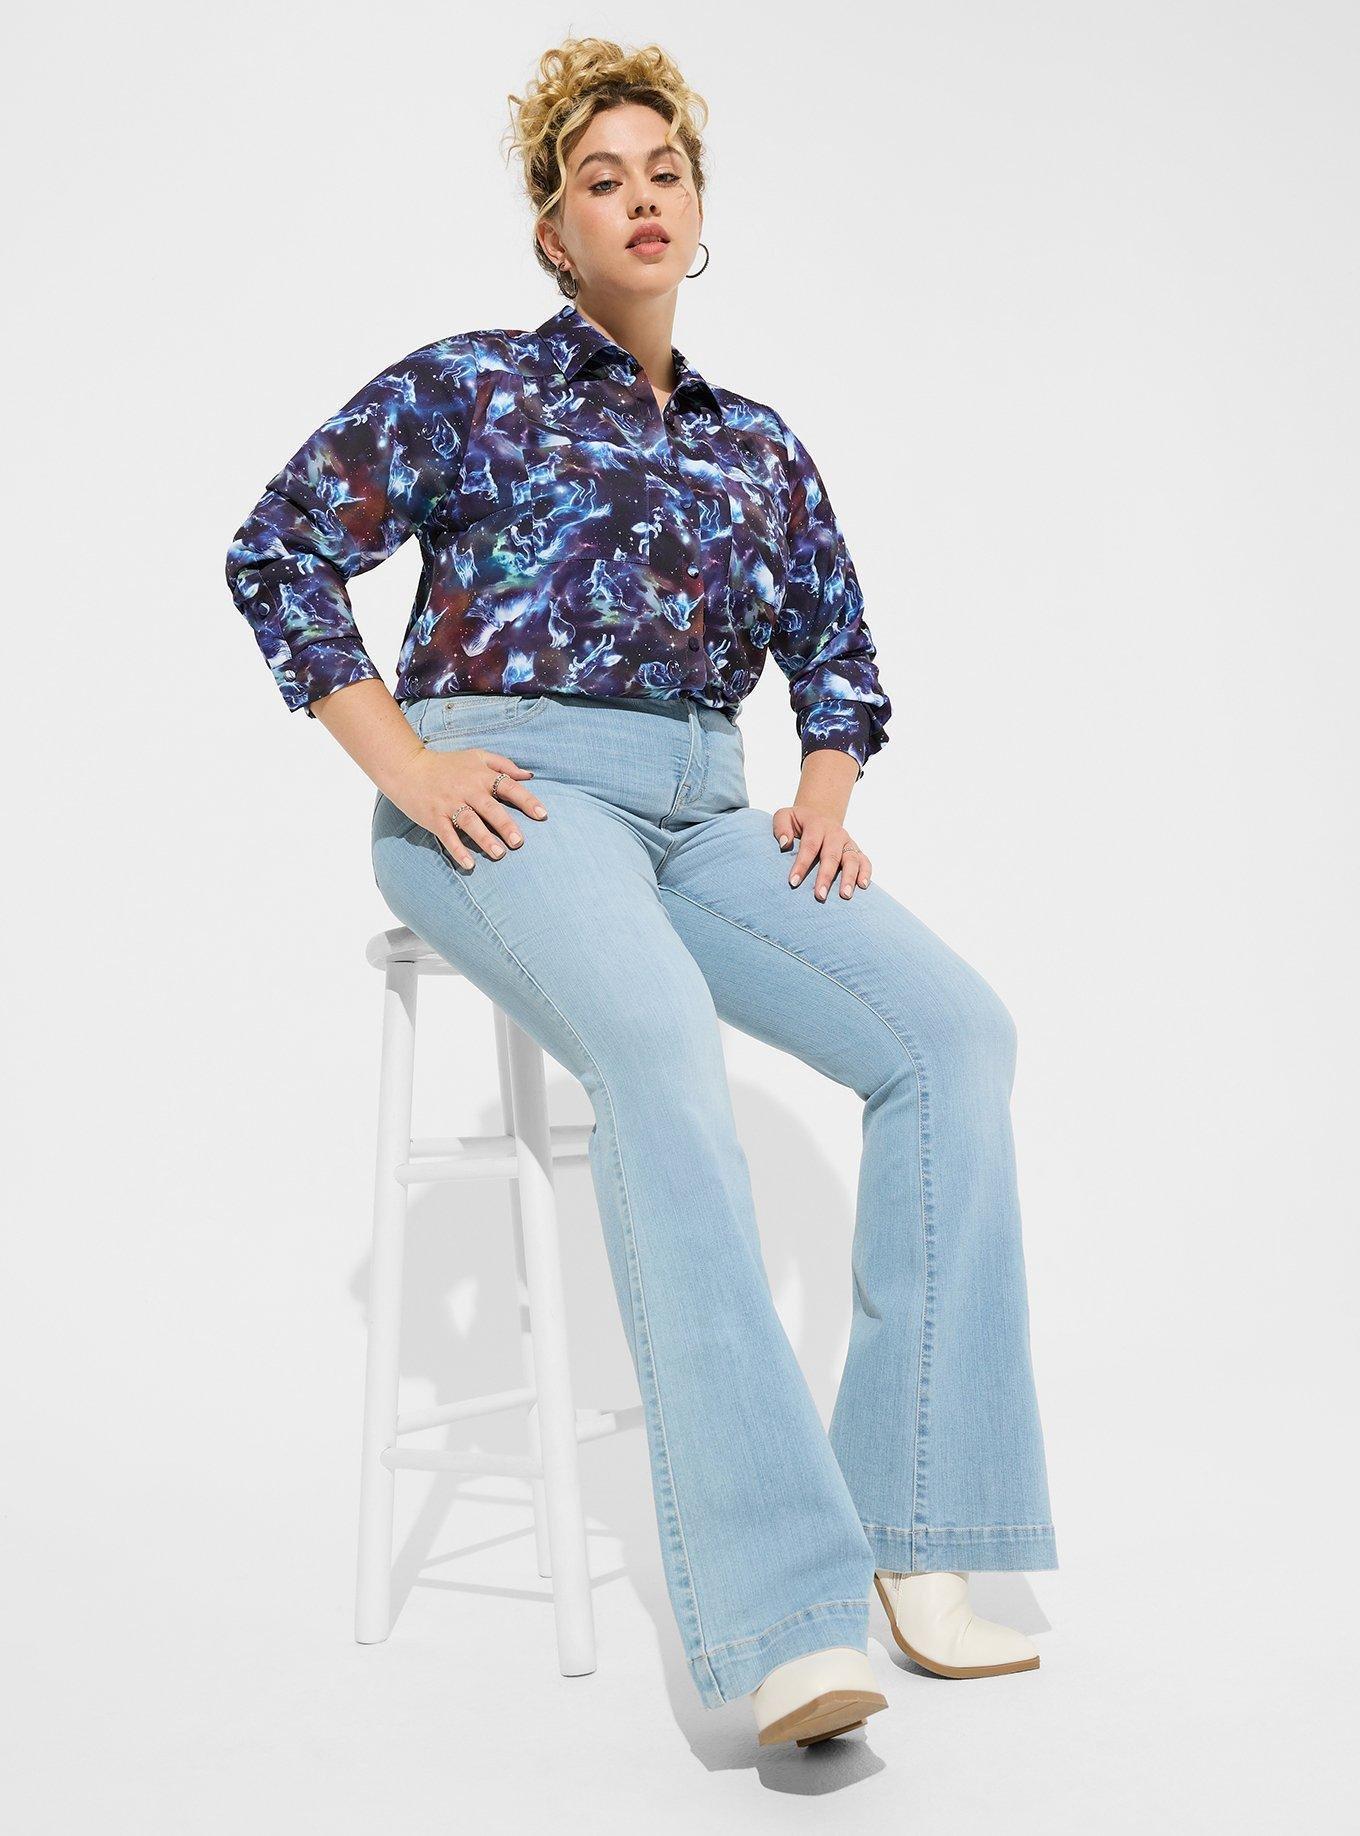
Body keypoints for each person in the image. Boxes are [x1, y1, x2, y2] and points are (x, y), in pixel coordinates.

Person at [224, 35, 1058, 1748]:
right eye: (600, 181)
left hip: (707, 806)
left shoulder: (758, 443)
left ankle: (922, 1531)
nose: (640, 199)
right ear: (556, 230)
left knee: (954, 1036)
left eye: (664, 173)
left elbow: (839, 654)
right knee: (667, 1056)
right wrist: (406, 764)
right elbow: (278, 548)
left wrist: (822, 796)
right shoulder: (470, 386)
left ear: (698, 206)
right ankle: (783, 1619)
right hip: (511, 792)